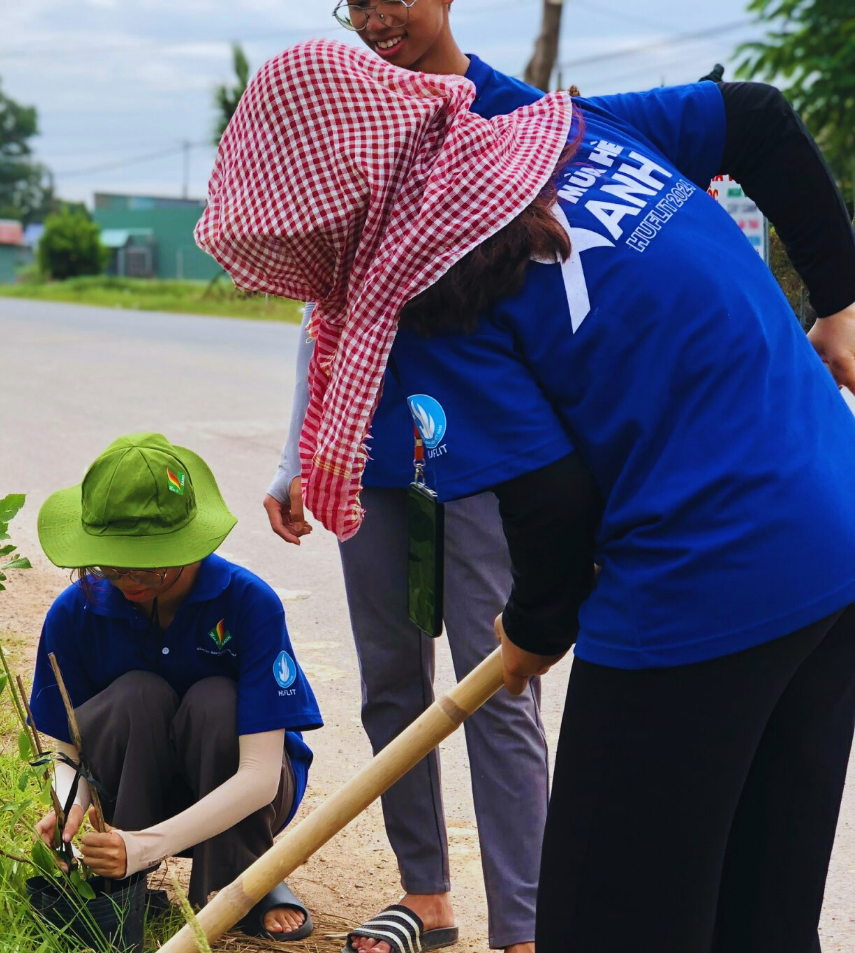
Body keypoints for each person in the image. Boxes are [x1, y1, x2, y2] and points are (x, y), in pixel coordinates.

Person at [198, 39, 855, 952]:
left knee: (603, 919)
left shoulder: (432, 286)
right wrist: (841, 300)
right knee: (761, 913)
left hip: (702, 575)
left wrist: (533, 630)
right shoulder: (570, 130)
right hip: (836, 530)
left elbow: (554, 502)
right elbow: (758, 117)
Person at [263, 4, 552, 950]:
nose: (377, 16)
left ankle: (525, 923)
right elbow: (325, 297)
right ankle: (425, 894)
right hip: (370, 453)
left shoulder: (516, 115)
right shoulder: (357, 116)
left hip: (488, 456)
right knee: (392, 683)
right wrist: (296, 452)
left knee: (496, 683)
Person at [28, 433, 325, 941]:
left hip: (242, 795)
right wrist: (70, 806)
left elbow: (258, 777)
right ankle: (124, 884)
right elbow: (67, 750)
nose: (129, 580)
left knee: (216, 702)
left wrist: (145, 844)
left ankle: (239, 877)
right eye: (110, 563)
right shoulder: (75, 611)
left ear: (191, 542)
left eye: (151, 563)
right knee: (136, 695)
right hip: (127, 792)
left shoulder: (249, 604)